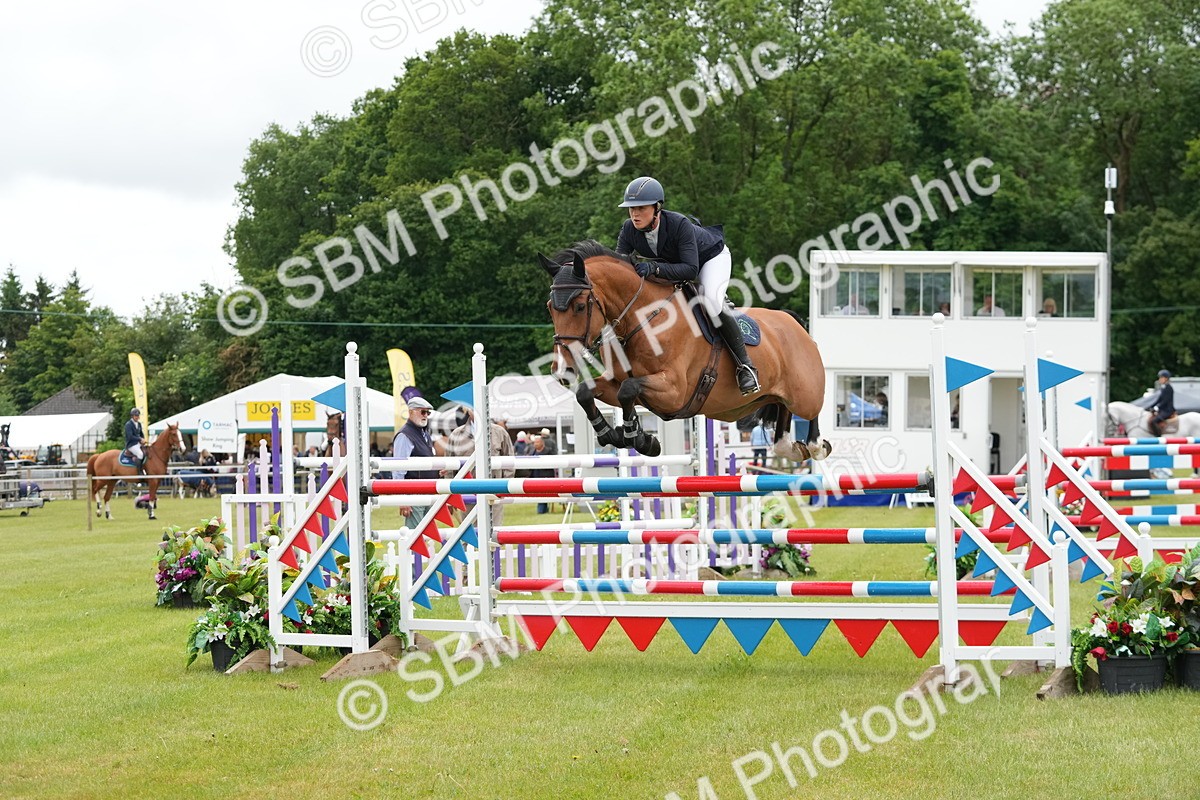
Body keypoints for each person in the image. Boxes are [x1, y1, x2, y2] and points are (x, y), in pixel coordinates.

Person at [616, 175, 760, 395]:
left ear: (657, 208)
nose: (635, 214)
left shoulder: (678, 224)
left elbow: (690, 270)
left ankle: (746, 366)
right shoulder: (628, 229)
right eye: (631, 209)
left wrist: (653, 268)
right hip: (674, 264)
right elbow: (620, 266)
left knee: (711, 301)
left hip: (709, 259)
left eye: (641, 208)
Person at [441, 406, 515, 527]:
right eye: (473, 407)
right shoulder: (456, 434)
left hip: (494, 491)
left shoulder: (500, 432)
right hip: (466, 492)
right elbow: (449, 467)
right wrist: (450, 493)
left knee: (494, 533)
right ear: (467, 411)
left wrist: (504, 486)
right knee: (468, 533)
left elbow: (509, 460)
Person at [391, 391, 439, 530]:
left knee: (427, 534)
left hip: (428, 490)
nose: (426, 416)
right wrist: (403, 498)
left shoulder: (425, 434)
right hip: (414, 492)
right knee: (415, 536)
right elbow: (398, 470)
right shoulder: (404, 435)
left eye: (428, 413)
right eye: (423, 412)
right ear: (411, 412)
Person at [1150, 370, 1176, 436]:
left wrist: (1157, 407)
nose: (1159, 379)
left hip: (1168, 410)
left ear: (1166, 378)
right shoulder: (1163, 387)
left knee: (1153, 421)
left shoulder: (1168, 388)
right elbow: (1159, 400)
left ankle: (1158, 437)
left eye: (1161, 378)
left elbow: (1165, 401)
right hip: (1163, 409)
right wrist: (1151, 406)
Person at [124, 408, 147, 473]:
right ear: (132, 416)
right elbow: (130, 436)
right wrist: (140, 439)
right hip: (131, 445)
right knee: (140, 454)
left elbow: (141, 434)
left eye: (138, 416)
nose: (137, 417)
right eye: (136, 416)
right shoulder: (128, 424)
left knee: (147, 452)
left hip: (138, 443)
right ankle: (139, 472)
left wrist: (143, 440)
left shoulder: (139, 424)